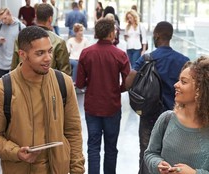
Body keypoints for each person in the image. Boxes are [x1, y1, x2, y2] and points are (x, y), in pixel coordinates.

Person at [0, 26, 85, 174]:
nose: (48, 58)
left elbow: (73, 132)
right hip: (20, 168)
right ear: (23, 55)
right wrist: (16, 152)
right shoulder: (1, 89)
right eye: (40, 53)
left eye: (49, 51)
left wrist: (77, 170)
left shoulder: (63, 82)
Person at [125, 21, 189, 173]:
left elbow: (128, 82)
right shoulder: (183, 60)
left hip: (150, 116)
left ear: (157, 35)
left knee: (147, 154)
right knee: (173, 157)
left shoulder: (148, 58)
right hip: (176, 117)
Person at [76, 18, 130, 174]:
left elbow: (79, 83)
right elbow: (127, 83)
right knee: (111, 147)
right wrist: (117, 89)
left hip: (92, 106)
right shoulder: (120, 55)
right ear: (112, 33)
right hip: (112, 106)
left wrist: (92, 83)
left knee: (93, 146)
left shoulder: (86, 53)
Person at [144, 56, 209, 174]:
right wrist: (158, 164)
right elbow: (150, 153)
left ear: (201, 89)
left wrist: (194, 173)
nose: (176, 85)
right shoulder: (166, 119)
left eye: (183, 82)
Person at [11, 3, 71, 76]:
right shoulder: (59, 41)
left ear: (36, 17)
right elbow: (65, 73)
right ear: (50, 19)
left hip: (23, 83)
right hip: (49, 85)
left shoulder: (21, 38)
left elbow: (14, 67)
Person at [0, 8, 26, 78]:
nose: (3, 21)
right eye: (1, 19)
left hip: (15, 63)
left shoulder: (21, 27)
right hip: (1, 63)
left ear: (10, 14)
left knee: (15, 86)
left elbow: (25, 46)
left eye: (5, 18)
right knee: (4, 87)